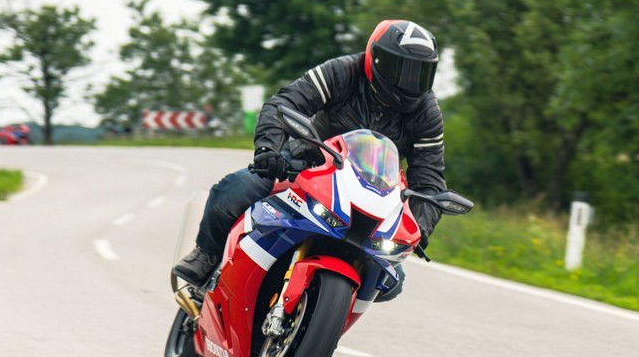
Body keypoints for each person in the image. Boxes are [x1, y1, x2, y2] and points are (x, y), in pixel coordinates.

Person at [172, 19, 446, 302]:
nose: (409, 82)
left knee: (391, 280)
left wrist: (419, 228)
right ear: (375, 58)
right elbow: (284, 103)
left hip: (372, 193)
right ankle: (207, 255)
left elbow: (430, 178)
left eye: (420, 73)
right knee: (238, 189)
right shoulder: (343, 72)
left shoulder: (426, 112)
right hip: (308, 165)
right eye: (401, 69)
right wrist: (269, 150)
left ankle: (324, 320)